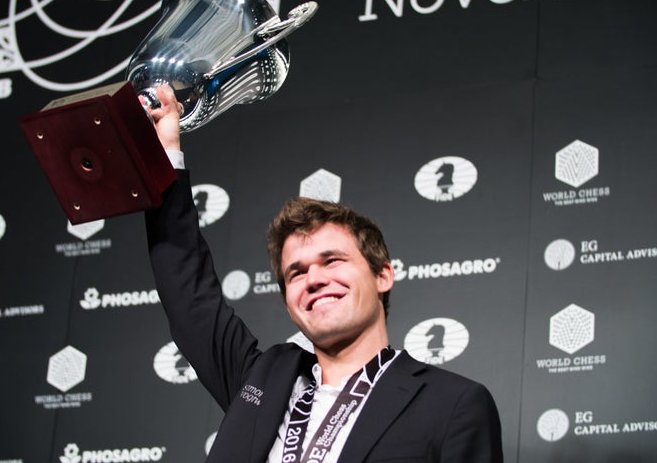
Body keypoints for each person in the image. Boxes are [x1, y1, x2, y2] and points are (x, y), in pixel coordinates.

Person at [144, 85, 503, 462]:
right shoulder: (260, 379)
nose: (313, 278)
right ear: (288, 303)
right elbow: (189, 295)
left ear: (383, 275)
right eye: (296, 273)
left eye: (332, 261)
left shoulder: (452, 404)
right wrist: (163, 148)